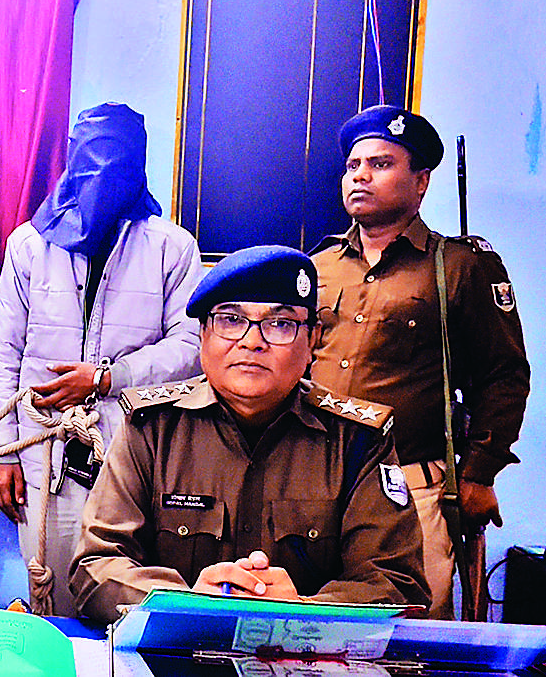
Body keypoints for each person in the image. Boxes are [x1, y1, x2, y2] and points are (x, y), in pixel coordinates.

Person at [70, 245, 429, 624]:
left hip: (310, 652)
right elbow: (96, 565)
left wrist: (302, 610)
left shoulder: (357, 440)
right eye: (230, 320)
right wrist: (186, 603)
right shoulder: (152, 429)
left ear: (313, 340)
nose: (252, 341)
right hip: (173, 648)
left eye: (281, 324)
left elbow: (397, 583)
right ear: (203, 335)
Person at [310, 105, 530, 618]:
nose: (360, 175)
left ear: (421, 182)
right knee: (308, 623)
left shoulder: (459, 266)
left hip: (408, 485)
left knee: (410, 630)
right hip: (313, 484)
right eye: (353, 165)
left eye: (381, 164)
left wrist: (479, 474)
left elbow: (503, 376)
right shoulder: (317, 267)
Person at [0, 102, 203, 615]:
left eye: (115, 160)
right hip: (45, 456)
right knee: (53, 594)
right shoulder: (29, 245)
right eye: (90, 158)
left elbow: (191, 348)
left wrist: (108, 378)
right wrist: (1, 452)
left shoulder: (171, 247)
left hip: (136, 454)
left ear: (138, 164)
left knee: (126, 596)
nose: (101, 175)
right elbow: (3, 351)